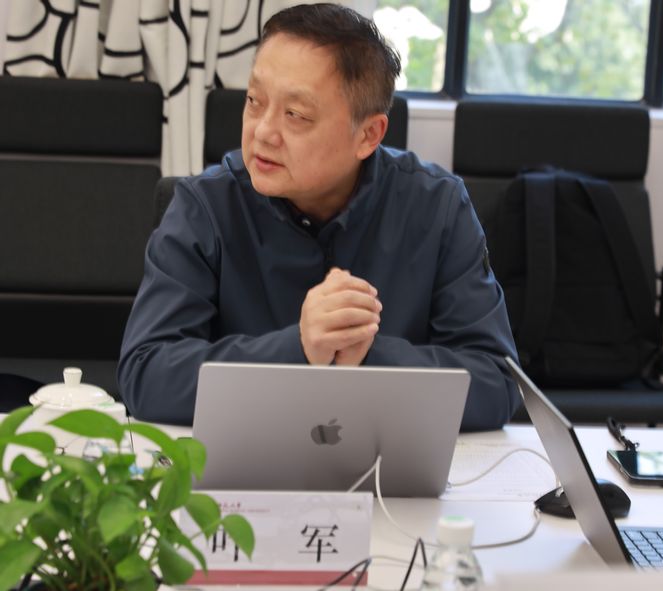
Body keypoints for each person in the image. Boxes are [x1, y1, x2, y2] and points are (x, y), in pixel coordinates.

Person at [118, 3, 520, 429]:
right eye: (254, 101)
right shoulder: (206, 205)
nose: (262, 132)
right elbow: (145, 373)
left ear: (368, 134)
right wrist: (298, 348)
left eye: (296, 115)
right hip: (244, 457)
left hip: (387, 459)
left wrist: (364, 353)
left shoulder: (437, 207)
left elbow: (496, 382)